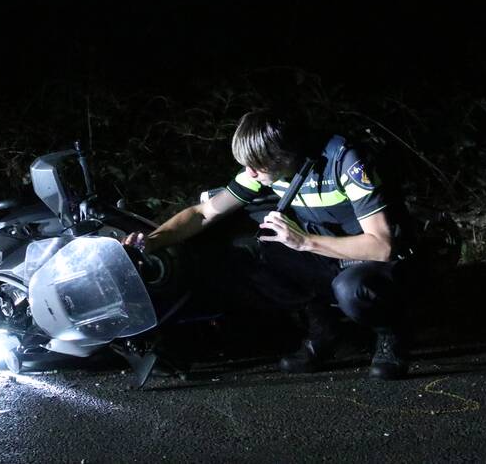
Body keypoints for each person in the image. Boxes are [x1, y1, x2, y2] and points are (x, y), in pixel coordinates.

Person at [124, 109, 418, 380]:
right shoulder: (269, 170)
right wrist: (152, 241)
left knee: (351, 290)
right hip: (321, 250)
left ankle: (390, 333)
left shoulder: (346, 161)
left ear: (284, 154)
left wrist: (304, 242)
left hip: (371, 260)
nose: (249, 173)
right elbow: (204, 213)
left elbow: (382, 245)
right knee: (247, 255)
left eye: (255, 165)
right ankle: (325, 330)